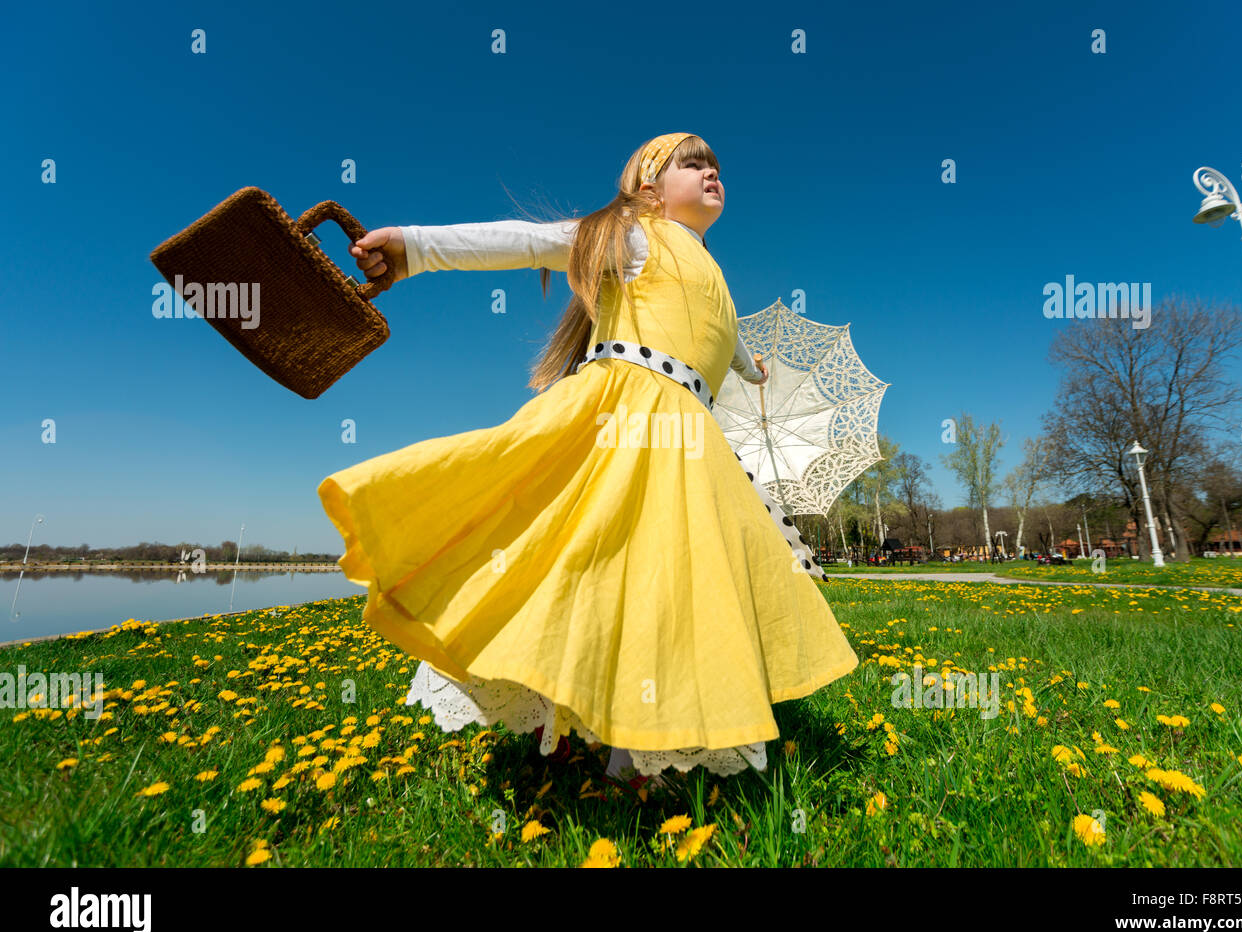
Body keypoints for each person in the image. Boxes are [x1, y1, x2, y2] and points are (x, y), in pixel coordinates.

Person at [317, 133, 859, 794]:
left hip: (689, 436)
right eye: (693, 163)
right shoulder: (633, 238)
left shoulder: (710, 268)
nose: (712, 171)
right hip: (625, 415)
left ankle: (638, 750)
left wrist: (750, 365)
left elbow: (724, 330)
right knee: (597, 566)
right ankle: (596, 723)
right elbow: (527, 241)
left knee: (672, 587)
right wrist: (415, 248)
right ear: (650, 189)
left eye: (715, 164)